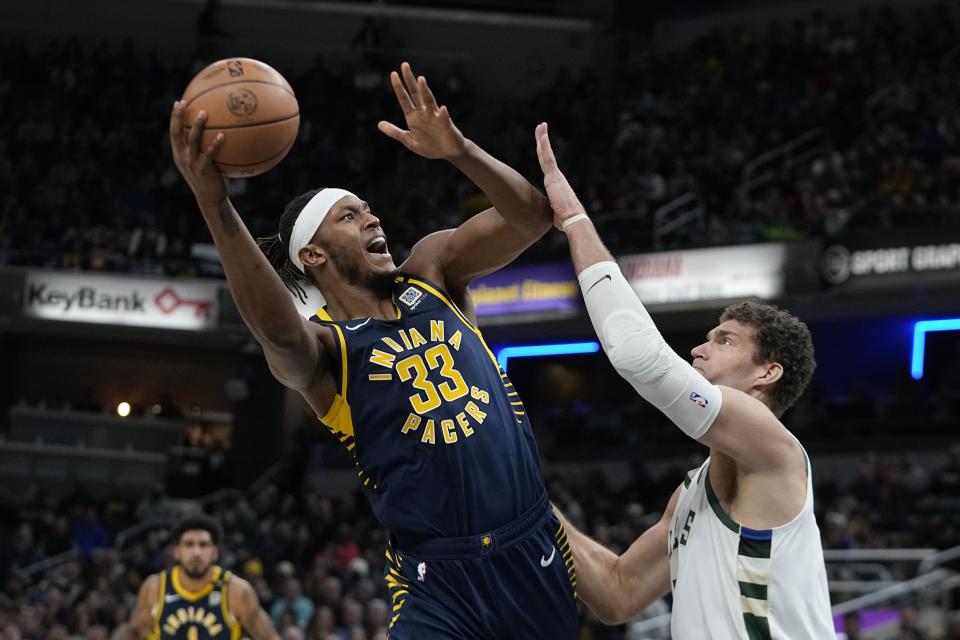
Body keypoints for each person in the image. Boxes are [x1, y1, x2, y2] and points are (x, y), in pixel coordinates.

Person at [169, 62, 578, 639]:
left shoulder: (432, 272)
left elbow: (532, 217)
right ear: (314, 255)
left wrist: (459, 149)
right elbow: (278, 332)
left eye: (367, 208)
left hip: (530, 548)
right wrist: (217, 205)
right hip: (438, 582)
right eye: (350, 215)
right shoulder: (325, 352)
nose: (372, 216)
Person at [534, 122, 834, 639]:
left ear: (768, 372)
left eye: (724, 340)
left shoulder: (773, 448)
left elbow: (640, 357)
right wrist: (523, 495)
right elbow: (617, 592)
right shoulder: (690, 492)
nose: (699, 347)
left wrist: (576, 221)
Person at [126, 515, 278, 639]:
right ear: (177, 551)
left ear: (215, 552)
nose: (196, 552)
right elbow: (133, 632)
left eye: (203, 545)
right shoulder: (155, 588)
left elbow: (269, 637)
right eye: (189, 544)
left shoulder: (237, 591)